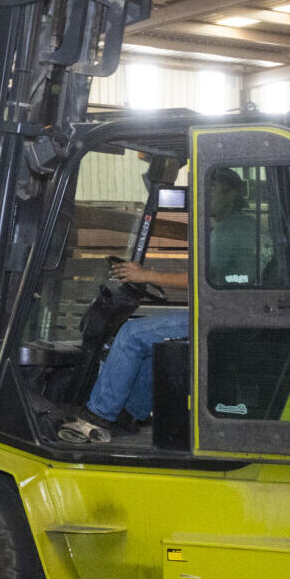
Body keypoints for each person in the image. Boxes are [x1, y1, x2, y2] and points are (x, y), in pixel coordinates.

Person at [56, 169, 250, 444]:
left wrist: (145, 275)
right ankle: (129, 414)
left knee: (131, 335)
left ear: (233, 192)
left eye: (213, 187)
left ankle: (98, 416)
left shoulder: (232, 231)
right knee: (151, 346)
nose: (205, 195)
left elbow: (199, 279)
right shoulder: (237, 226)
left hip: (223, 317)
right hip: (227, 313)